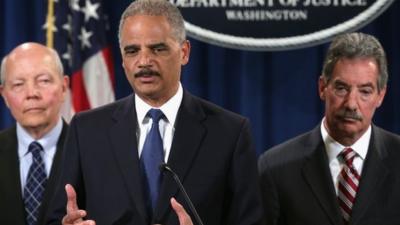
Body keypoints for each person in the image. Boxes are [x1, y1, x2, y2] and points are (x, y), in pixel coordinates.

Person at [46, 0, 263, 224]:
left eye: (157, 49)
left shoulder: (229, 133)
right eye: (132, 51)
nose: (144, 61)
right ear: (122, 58)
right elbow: (57, 218)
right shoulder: (87, 130)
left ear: (184, 52)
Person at [258, 32, 400, 225]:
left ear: (381, 96)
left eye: (365, 92)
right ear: (323, 88)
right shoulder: (275, 168)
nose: (351, 104)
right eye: (341, 88)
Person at [0, 42, 69, 225]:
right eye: (18, 84)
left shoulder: (93, 152)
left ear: (63, 87)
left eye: (44, 81)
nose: (32, 93)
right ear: (4, 95)